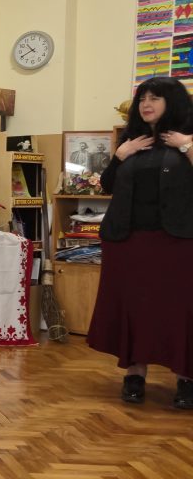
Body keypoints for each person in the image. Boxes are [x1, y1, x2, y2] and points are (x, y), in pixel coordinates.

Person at [87, 76, 193, 409]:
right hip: (128, 241)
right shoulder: (131, 141)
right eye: (142, 98)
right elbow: (107, 186)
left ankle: (186, 379)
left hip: (177, 241)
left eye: (155, 98)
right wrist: (120, 155)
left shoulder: (189, 137)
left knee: (180, 310)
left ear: (172, 102)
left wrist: (186, 146)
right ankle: (134, 375)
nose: (146, 104)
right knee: (134, 308)